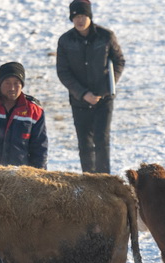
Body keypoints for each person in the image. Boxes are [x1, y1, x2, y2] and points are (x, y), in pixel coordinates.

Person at [56, 0, 125, 174]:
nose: (80, 20)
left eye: (83, 16)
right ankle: (89, 180)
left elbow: (119, 62)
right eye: (76, 17)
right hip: (79, 101)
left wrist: (105, 89)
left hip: (104, 99)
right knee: (84, 144)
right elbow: (63, 72)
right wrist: (82, 93)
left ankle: (104, 180)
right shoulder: (65, 40)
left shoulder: (106, 36)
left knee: (102, 140)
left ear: (89, 16)